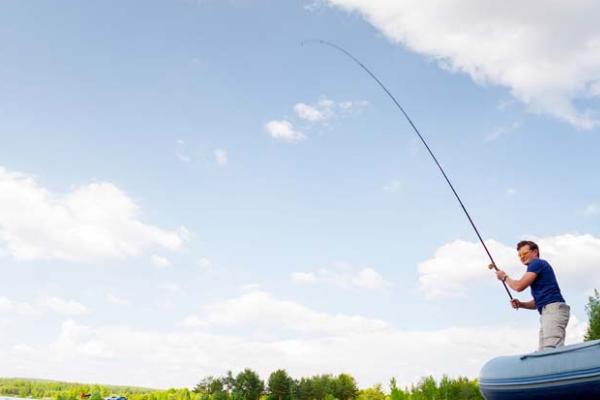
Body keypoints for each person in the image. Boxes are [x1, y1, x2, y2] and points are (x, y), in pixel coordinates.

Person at [493, 240, 570, 351]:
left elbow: (518, 286)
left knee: (550, 350)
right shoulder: (539, 267)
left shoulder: (536, 263)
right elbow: (538, 302)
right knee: (544, 351)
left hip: (552, 311)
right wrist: (521, 304)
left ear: (535, 252)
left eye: (525, 253)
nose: (522, 257)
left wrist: (504, 277)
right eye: (520, 255)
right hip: (548, 311)